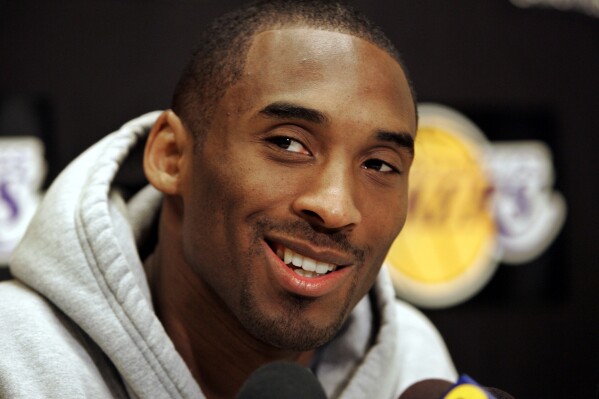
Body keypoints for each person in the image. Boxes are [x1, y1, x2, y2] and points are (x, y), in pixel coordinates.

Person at [0, 1, 458, 398]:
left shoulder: (414, 363)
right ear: (172, 156)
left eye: (379, 165)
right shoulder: (14, 360)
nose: (337, 207)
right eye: (288, 143)